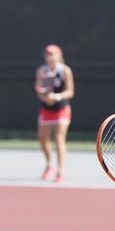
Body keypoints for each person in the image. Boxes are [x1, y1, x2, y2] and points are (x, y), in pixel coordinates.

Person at [34, 44, 75, 183]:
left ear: (59, 56)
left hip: (61, 109)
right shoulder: (41, 70)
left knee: (59, 139)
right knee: (42, 139)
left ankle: (60, 171)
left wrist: (56, 97)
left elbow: (70, 92)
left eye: (52, 54)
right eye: (47, 54)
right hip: (46, 109)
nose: (49, 57)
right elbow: (38, 89)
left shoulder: (65, 71)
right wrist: (45, 97)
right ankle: (49, 165)